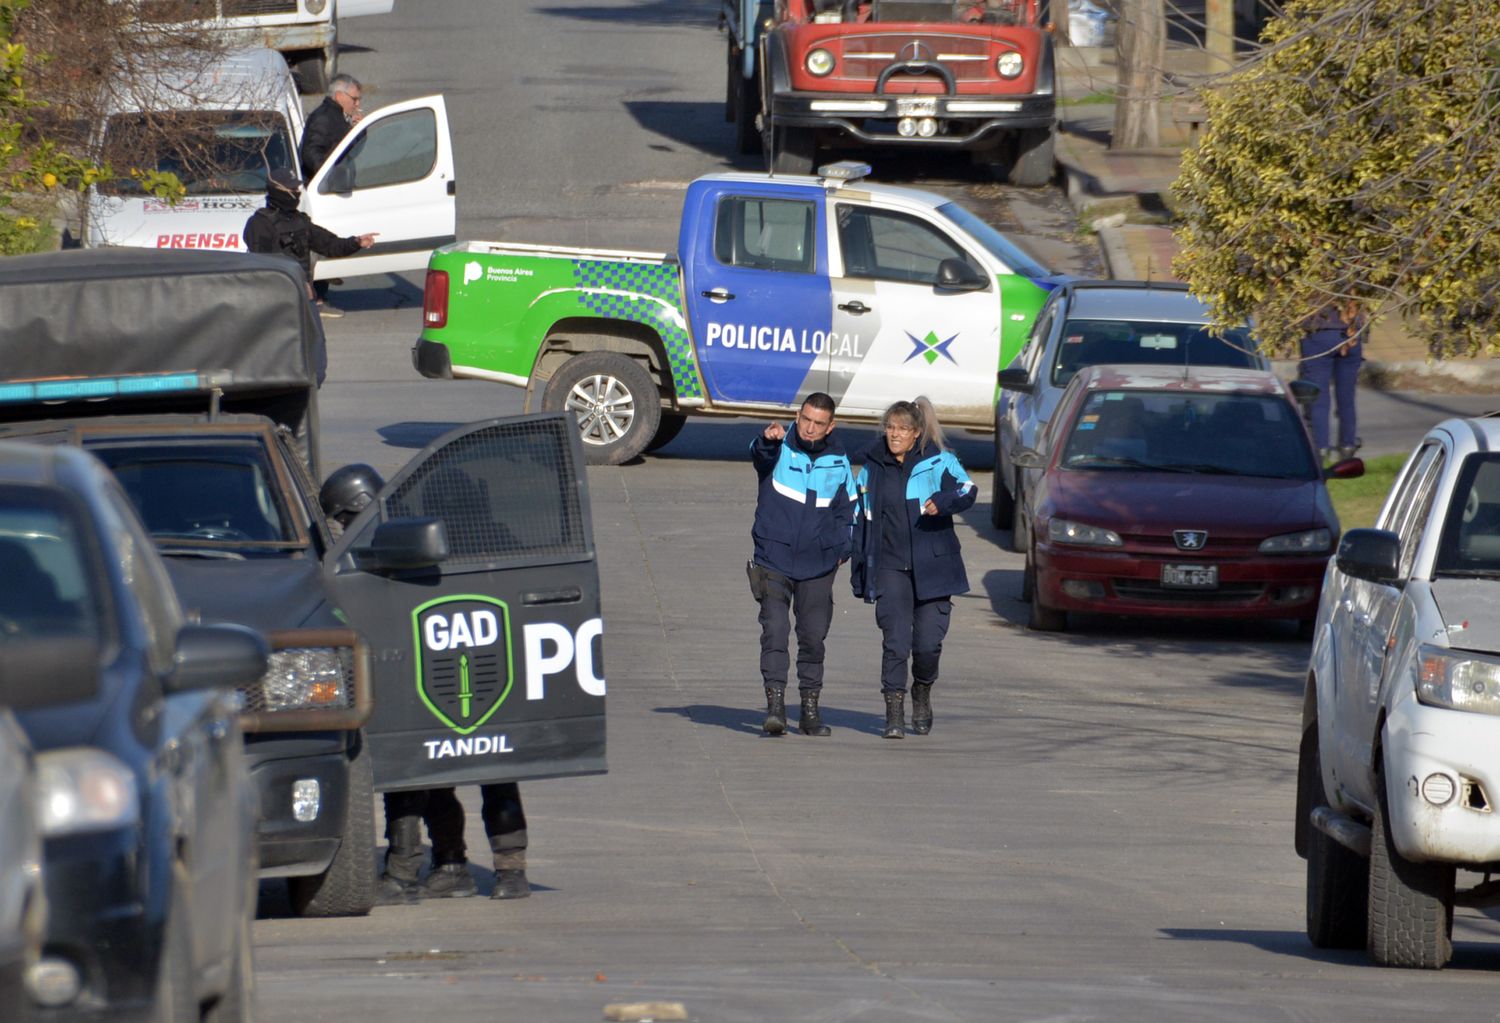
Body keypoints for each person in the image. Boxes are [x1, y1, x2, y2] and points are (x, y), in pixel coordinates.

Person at [317, 466, 533, 904]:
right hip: (465, 671)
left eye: (342, 518)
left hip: (441, 673)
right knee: (477, 770)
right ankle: (472, 868)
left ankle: (407, 873)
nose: (340, 528)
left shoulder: (396, 548)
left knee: (418, 768)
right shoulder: (470, 538)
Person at [851, 398, 977, 739]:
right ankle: (894, 712)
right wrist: (856, 560)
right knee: (895, 642)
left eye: (902, 429)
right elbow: (858, 515)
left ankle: (922, 691)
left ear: (916, 432)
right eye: (890, 428)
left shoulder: (938, 461)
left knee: (927, 644)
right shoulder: (873, 467)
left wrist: (944, 502)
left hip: (934, 566)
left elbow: (968, 490)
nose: (894, 435)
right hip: (890, 567)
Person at [748, 392, 858, 737]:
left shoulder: (839, 462)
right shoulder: (779, 449)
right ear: (798, 416)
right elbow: (758, 454)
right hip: (774, 558)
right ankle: (776, 707)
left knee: (812, 638)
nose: (810, 428)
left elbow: (849, 512)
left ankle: (810, 709)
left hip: (819, 564)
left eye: (818, 423)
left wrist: (843, 549)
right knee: (775, 632)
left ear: (831, 426)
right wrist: (768, 440)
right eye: (806, 420)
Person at [243, 167, 375, 328]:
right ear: (277, 190)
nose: (296, 192)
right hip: (274, 304)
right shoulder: (260, 224)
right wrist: (293, 283)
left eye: (297, 188)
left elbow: (330, 245)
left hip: (303, 299)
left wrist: (356, 242)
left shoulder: (300, 221)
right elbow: (261, 268)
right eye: (291, 189)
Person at [1298, 301, 1364, 462]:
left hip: (1318, 334)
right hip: (1351, 334)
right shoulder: (1355, 277)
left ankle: (1321, 447)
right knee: (1346, 396)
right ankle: (1347, 445)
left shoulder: (1310, 280)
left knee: (1318, 398)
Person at [300, 74, 363, 180]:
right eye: (354, 99)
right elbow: (311, 153)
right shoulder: (323, 118)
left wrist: (359, 130)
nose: (357, 104)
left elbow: (351, 149)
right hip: (328, 189)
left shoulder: (339, 116)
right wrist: (329, 177)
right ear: (339, 96)